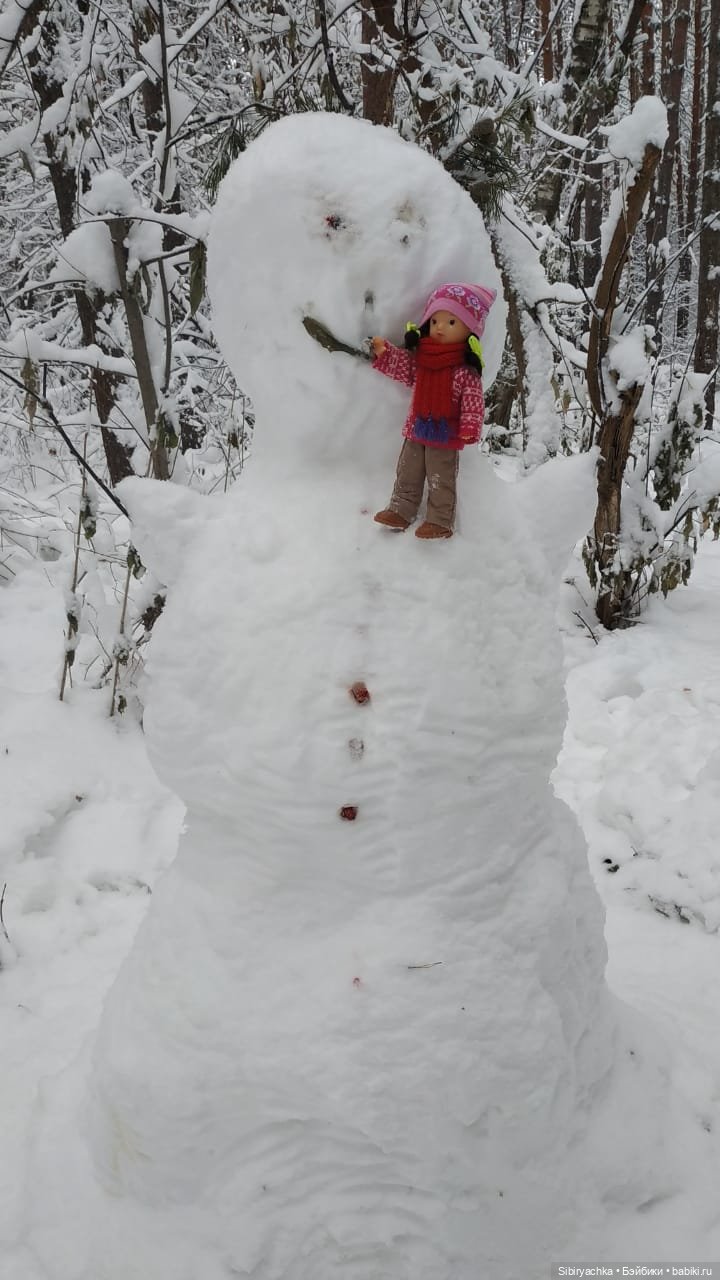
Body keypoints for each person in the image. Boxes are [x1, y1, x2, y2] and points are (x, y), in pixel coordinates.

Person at [371, 282, 496, 539]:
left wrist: (470, 429)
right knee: (408, 472)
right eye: (436, 320)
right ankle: (400, 510)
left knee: (441, 479)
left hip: (446, 436)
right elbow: (405, 368)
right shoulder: (422, 359)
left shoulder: (465, 371)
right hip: (417, 430)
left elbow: (473, 403)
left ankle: (440, 520)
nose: (440, 327)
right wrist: (385, 353)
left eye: (451, 323)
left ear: (470, 330)